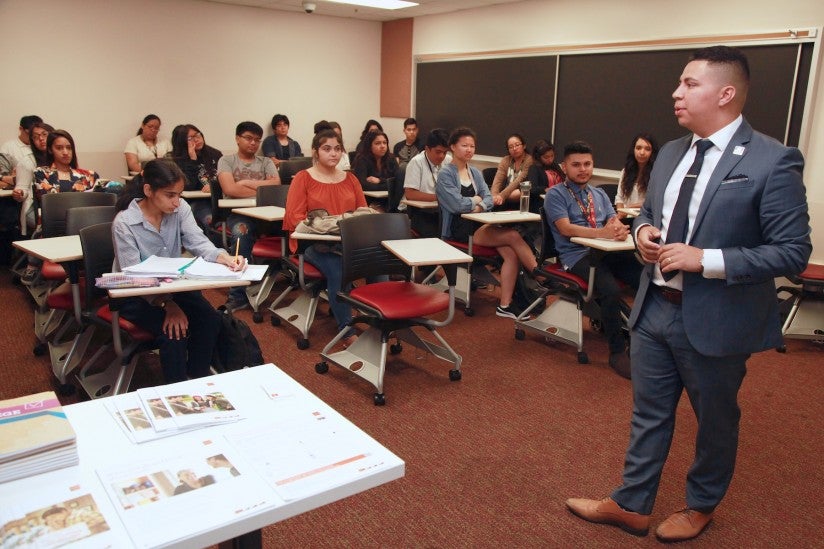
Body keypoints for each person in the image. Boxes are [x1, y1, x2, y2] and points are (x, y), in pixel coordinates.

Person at [565, 46, 811, 543]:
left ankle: (701, 505)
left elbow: (792, 252)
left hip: (718, 316)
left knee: (715, 420)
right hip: (655, 308)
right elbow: (651, 215)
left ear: (725, 93)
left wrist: (708, 260)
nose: (676, 93)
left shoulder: (772, 159)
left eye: (689, 84)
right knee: (648, 412)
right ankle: (632, 504)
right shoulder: (672, 154)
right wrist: (643, 235)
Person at [112, 159, 245, 383]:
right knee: (173, 332)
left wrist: (224, 257)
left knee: (210, 319)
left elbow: (197, 241)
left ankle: (197, 377)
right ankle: (177, 390)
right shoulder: (124, 223)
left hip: (172, 284)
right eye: (170, 195)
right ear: (148, 190)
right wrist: (167, 305)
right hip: (136, 294)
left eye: (179, 195)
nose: (177, 202)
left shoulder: (180, 208)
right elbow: (134, 275)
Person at [544, 141, 641, 378]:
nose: (583, 169)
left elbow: (612, 220)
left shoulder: (598, 194)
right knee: (609, 290)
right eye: (576, 164)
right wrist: (603, 233)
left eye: (587, 164)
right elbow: (566, 229)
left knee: (645, 277)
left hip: (606, 251)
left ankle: (645, 339)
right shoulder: (555, 194)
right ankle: (617, 351)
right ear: (564, 167)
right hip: (576, 255)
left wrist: (618, 230)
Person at [436, 127, 539, 319]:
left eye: (472, 146)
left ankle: (505, 305)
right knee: (512, 235)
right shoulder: (445, 174)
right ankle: (541, 276)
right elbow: (457, 205)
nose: (469, 149)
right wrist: (477, 201)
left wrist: (477, 204)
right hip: (458, 229)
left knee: (511, 254)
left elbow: (490, 198)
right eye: (464, 145)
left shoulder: (475, 172)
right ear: (452, 147)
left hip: (478, 223)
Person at [283, 128, 368, 348]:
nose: (333, 153)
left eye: (337, 149)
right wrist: (330, 227)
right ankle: (346, 330)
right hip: (313, 244)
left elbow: (362, 212)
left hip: (347, 243)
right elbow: (295, 218)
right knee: (339, 269)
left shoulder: (350, 179)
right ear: (315, 151)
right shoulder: (303, 178)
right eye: (327, 148)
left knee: (379, 263)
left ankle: (379, 320)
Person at [216, 121, 280, 312]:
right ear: (237, 138)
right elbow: (229, 189)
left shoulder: (266, 162)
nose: (253, 143)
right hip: (238, 213)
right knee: (240, 232)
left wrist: (244, 182)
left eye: (257, 140)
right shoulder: (226, 161)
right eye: (248, 138)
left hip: (266, 213)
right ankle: (237, 294)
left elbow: (276, 184)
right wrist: (261, 187)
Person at [169, 124, 222, 229]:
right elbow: (187, 187)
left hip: (220, 199)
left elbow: (226, 177)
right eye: (190, 138)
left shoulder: (214, 154)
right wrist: (192, 159)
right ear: (182, 142)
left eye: (198, 135)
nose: (197, 139)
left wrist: (215, 186)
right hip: (197, 201)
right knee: (210, 220)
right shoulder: (176, 159)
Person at [403, 127, 450, 238]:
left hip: (443, 211)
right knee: (437, 236)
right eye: (438, 152)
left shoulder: (448, 160)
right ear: (427, 149)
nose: (442, 156)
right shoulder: (416, 162)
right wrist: (439, 197)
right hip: (421, 213)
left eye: (445, 152)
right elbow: (410, 194)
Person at [12, 122, 53, 236]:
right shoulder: (28, 161)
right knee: (52, 224)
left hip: (58, 205)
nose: (41, 139)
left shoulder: (61, 155)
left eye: (44, 134)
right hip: (35, 208)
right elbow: (22, 188)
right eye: (35, 137)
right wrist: (19, 193)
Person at [352, 130, 400, 211]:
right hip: (367, 201)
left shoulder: (391, 158)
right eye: (378, 143)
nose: (382, 146)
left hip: (390, 200)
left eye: (385, 143)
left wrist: (380, 181)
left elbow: (398, 182)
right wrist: (388, 185)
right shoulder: (361, 160)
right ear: (369, 145)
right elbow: (362, 185)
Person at [615, 133, 658, 213]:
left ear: (652, 152)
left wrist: (629, 207)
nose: (642, 152)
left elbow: (654, 201)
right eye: (638, 148)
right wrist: (621, 213)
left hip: (646, 217)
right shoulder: (625, 171)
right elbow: (619, 198)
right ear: (633, 150)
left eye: (647, 149)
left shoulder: (657, 174)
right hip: (626, 215)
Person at [490, 133, 534, 209]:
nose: (514, 148)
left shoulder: (529, 160)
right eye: (510, 147)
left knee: (517, 193)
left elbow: (519, 181)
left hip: (521, 195)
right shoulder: (505, 160)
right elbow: (497, 180)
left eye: (517, 145)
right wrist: (494, 196)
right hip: (504, 195)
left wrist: (501, 196)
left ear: (524, 146)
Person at [525, 140, 564, 207]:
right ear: (538, 157)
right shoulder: (534, 168)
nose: (550, 159)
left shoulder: (555, 166)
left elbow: (564, 180)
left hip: (559, 199)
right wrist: (545, 189)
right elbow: (532, 189)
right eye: (546, 157)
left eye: (552, 156)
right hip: (542, 203)